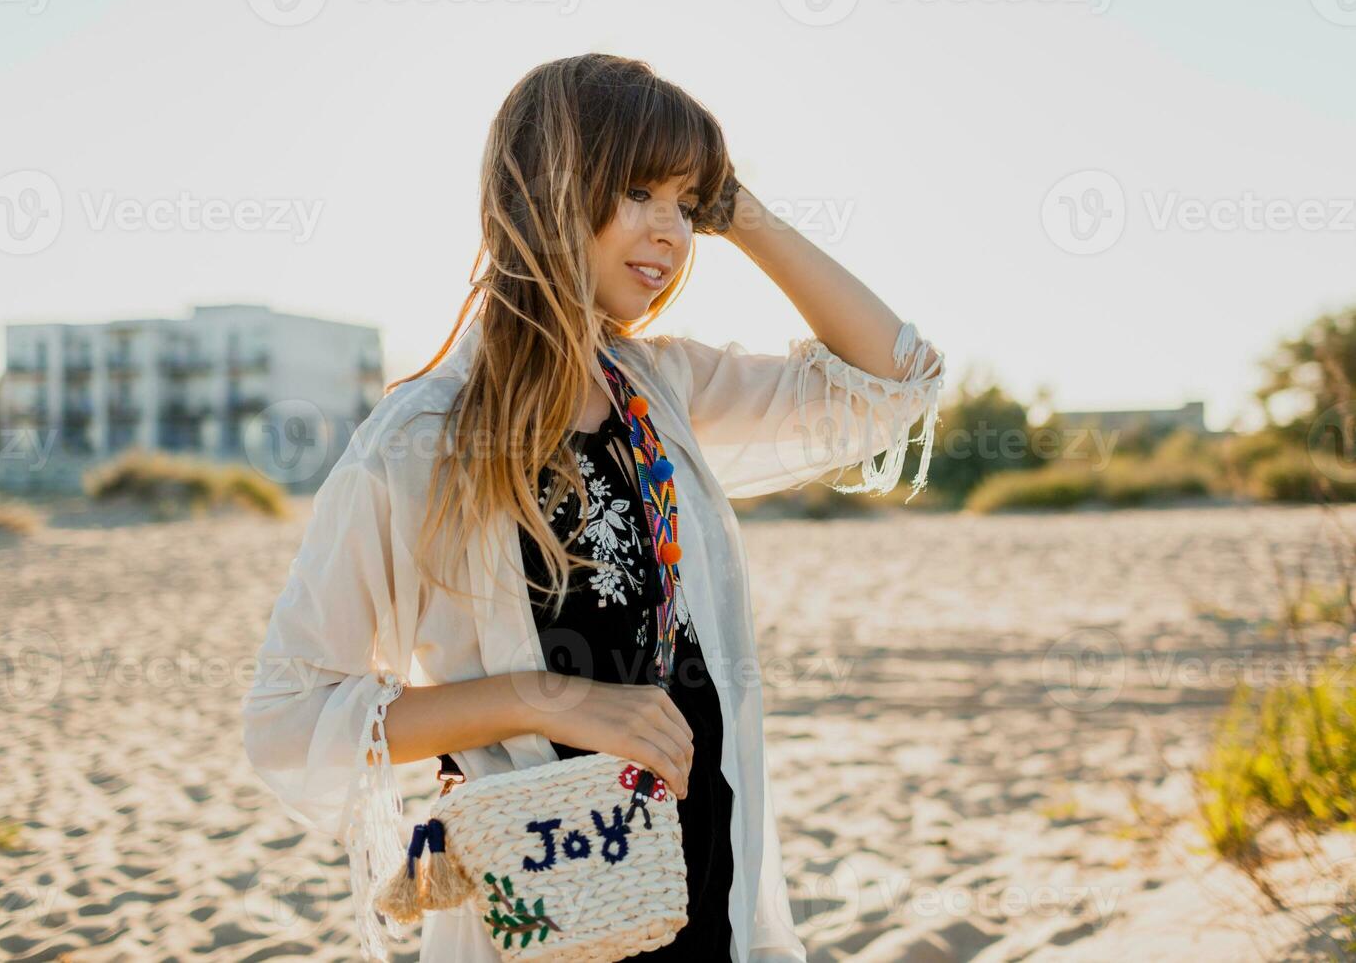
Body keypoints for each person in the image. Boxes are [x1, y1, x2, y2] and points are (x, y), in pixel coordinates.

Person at [241, 52, 946, 963]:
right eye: (639, 190)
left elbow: (893, 381)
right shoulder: (417, 441)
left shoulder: (662, 387)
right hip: (546, 909)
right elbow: (291, 718)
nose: (671, 232)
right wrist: (550, 699)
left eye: (687, 206)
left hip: (706, 888)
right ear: (547, 191)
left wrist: (743, 211)